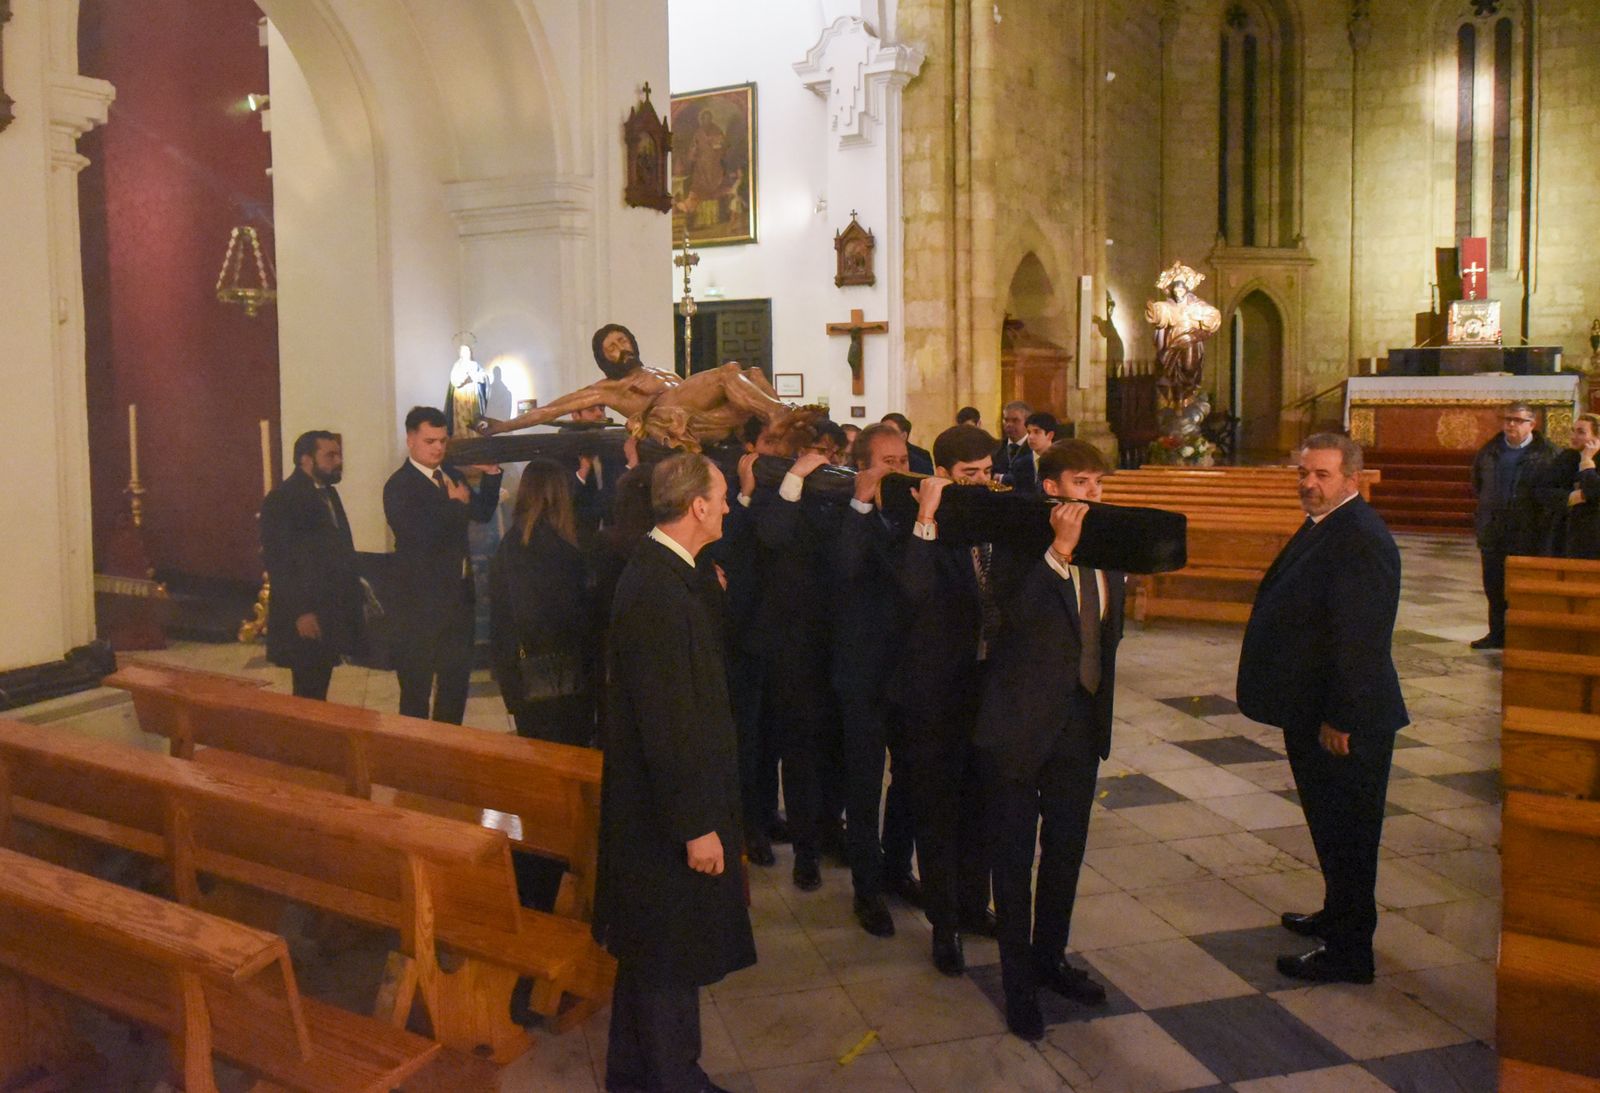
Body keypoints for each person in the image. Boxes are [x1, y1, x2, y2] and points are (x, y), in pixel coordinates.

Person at [594, 453, 754, 1093]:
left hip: (655, 809)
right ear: (697, 507)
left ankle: (632, 1076)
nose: (728, 506)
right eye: (720, 497)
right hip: (665, 817)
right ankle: (673, 1079)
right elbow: (668, 721)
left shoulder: (669, 573)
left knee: (648, 949)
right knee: (668, 952)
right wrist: (696, 826)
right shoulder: (659, 590)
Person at [1236, 433, 1408, 985]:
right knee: (1331, 827)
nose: (1309, 483)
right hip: (1314, 708)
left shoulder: (1360, 537)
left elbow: (1360, 639)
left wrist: (1342, 717)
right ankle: (1337, 916)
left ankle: (1351, 952)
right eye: (1304, 472)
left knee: (1350, 836)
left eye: (1323, 475)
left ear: (1352, 480)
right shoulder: (1329, 524)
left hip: (1346, 721)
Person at [976, 440, 1123, 1040]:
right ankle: (1017, 988)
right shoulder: (1016, 543)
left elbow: (1104, 635)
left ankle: (1050, 959)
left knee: (1064, 853)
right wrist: (1058, 553)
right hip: (1017, 727)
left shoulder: (1111, 544)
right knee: (1012, 862)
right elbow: (1005, 622)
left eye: (1098, 484)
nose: (1092, 495)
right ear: (1053, 488)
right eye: (1081, 483)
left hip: (1080, 726)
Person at [890, 424, 1019, 976]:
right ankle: (944, 926)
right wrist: (928, 515)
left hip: (988, 688)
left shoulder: (995, 518)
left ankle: (972, 906)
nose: (984, 482)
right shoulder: (913, 524)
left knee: (982, 808)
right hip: (934, 695)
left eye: (989, 471)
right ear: (942, 474)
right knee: (939, 813)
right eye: (970, 475)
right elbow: (912, 591)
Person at [831, 423, 913, 936]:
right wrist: (861, 505)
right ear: (864, 465)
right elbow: (843, 569)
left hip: (909, 671)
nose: (899, 469)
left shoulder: (915, 514)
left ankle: (896, 869)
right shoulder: (842, 512)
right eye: (888, 461)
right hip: (862, 673)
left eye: (904, 459)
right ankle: (867, 889)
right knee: (863, 786)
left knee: (908, 781)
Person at [480, 323, 788, 453]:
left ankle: (783, 427)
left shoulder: (661, 371)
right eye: (611, 347)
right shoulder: (610, 389)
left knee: (754, 373)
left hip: (697, 415)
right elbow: (551, 410)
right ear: (603, 358)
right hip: (671, 415)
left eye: (623, 340)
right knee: (730, 372)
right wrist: (504, 426)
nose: (620, 348)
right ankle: (779, 416)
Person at [383, 406, 503, 723]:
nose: (437, 448)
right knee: (416, 692)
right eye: (429, 441)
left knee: (454, 688)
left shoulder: (450, 474)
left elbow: (481, 512)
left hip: (458, 602)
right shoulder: (399, 486)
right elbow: (419, 535)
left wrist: (491, 475)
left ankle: (449, 750)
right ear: (410, 440)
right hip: (419, 607)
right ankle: (416, 760)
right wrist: (455, 504)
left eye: (442, 440)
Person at [489, 459, 596, 746]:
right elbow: (575, 619)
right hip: (564, 678)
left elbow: (500, 617)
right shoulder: (563, 550)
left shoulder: (510, 545)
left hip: (523, 676)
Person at [260, 430, 363, 700]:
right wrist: (301, 611)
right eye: (330, 455)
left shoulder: (327, 493)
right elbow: (280, 561)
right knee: (307, 688)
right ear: (306, 459)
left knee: (320, 682)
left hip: (329, 606)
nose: (338, 460)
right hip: (305, 613)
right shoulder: (283, 498)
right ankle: (304, 741)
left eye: (338, 454)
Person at [1469, 402, 1558, 649]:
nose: (1511, 425)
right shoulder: (1489, 451)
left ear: (1532, 424)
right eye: (1508, 419)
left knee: (1523, 587)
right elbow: (1478, 484)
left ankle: (1523, 636)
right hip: (1494, 528)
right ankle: (1497, 634)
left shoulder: (1547, 453)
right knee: (1494, 585)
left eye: (1518, 420)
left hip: (1528, 530)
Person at [1537, 413, 1600, 559]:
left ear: (1597, 438)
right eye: (1573, 430)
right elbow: (1543, 490)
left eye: (1581, 432)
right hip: (1565, 534)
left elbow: (1594, 491)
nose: (1573, 436)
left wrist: (1586, 462)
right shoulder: (1566, 457)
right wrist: (1571, 497)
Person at [1010, 411, 1059, 493]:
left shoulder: (1060, 461)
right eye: (1029, 432)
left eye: (1037, 432)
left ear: (1050, 435)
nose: (1031, 437)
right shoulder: (1020, 464)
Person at [993, 401, 1032, 485]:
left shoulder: (1034, 448)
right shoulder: (995, 448)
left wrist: (1001, 478)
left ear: (1027, 423)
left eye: (1015, 420)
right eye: (1006, 420)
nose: (1009, 425)